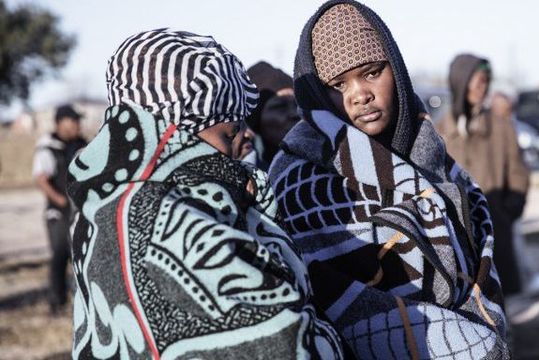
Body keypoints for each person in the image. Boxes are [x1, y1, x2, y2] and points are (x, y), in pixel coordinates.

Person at [66, 29, 343, 359]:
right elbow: (283, 344)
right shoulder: (172, 219)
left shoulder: (107, 202)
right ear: (178, 132)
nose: (239, 146)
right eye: (228, 134)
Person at [270, 2, 510, 359]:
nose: (359, 94)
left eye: (371, 72)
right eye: (337, 84)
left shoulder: (435, 155)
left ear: (395, 70)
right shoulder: (300, 179)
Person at [436, 55, 525, 297]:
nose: (482, 87)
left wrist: (511, 208)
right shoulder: (439, 131)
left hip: (496, 223)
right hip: (458, 232)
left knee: (500, 290)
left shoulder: (501, 126)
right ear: (460, 82)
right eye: (476, 81)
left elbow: (518, 170)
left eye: (486, 81)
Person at [489, 91, 539, 296]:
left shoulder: (510, 127)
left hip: (508, 196)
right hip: (498, 196)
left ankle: (525, 278)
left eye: (507, 107)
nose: (505, 110)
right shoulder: (496, 128)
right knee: (512, 241)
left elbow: (518, 165)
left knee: (515, 240)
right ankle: (523, 279)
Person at [32, 104, 87, 313]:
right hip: (58, 211)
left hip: (79, 209)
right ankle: (56, 301)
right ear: (59, 123)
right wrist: (60, 201)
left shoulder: (82, 144)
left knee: (80, 255)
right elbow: (41, 178)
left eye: (77, 120)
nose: (77, 124)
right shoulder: (48, 146)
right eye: (72, 120)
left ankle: (80, 301)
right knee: (59, 254)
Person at [245, 61, 301, 169]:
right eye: (280, 106)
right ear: (255, 120)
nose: (295, 114)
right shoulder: (248, 176)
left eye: (296, 105)